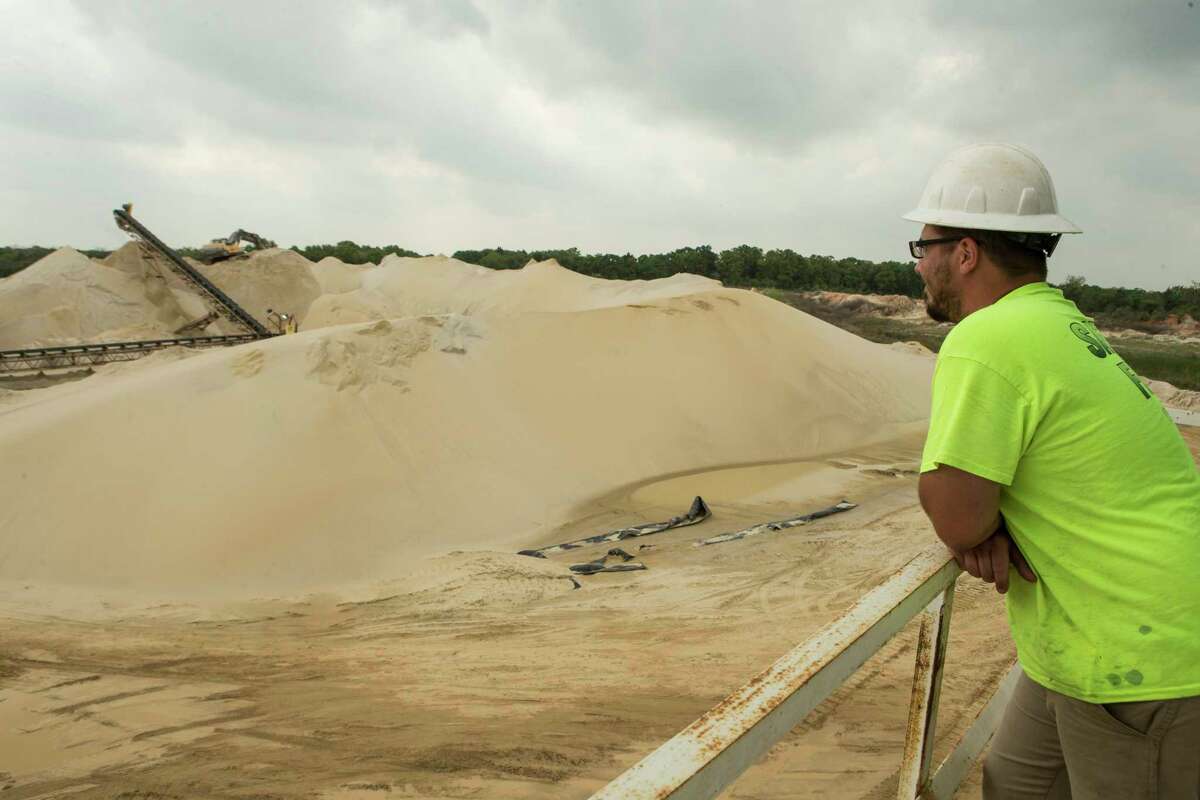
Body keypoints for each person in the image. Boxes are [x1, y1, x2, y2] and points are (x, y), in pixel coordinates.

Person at [906, 143, 1200, 799]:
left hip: (1144, 653)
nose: (920, 264)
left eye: (922, 245)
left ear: (965, 251)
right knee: (1017, 781)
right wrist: (997, 518)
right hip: (1081, 637)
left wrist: (980, 525)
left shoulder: (987, 338)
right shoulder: (1063, 325)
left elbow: (956, 514)